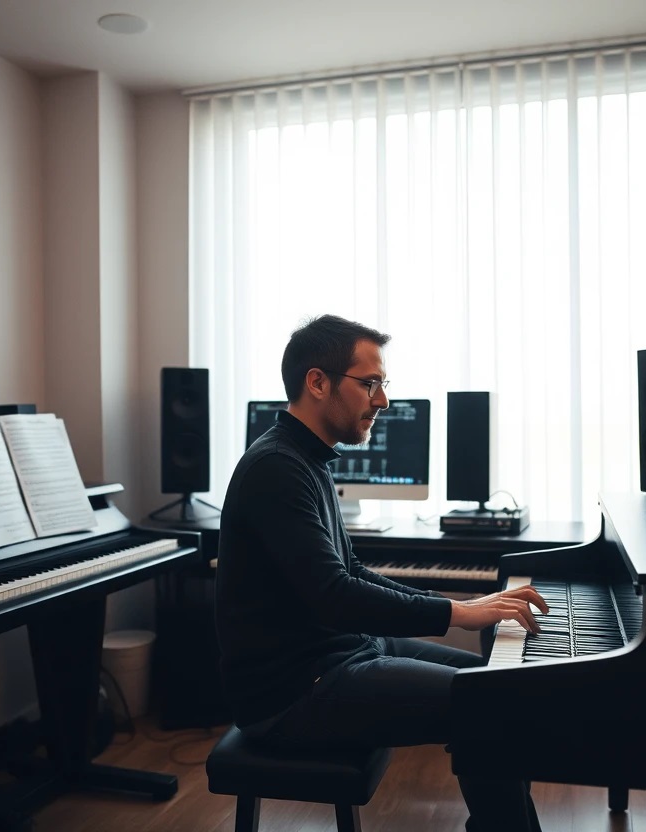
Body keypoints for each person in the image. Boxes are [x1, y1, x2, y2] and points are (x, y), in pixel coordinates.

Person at [215, 313, 547, 831]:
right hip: (294, 694)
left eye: (382, 385)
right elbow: (335, 595)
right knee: (486, 710)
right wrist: (460, 612)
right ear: (317, 382)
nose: (384, 401)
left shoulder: (308, 460)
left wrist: (460, 607)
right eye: (370, 384)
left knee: (496, 691)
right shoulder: (275, 469)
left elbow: (350, 570)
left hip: (343, 655)